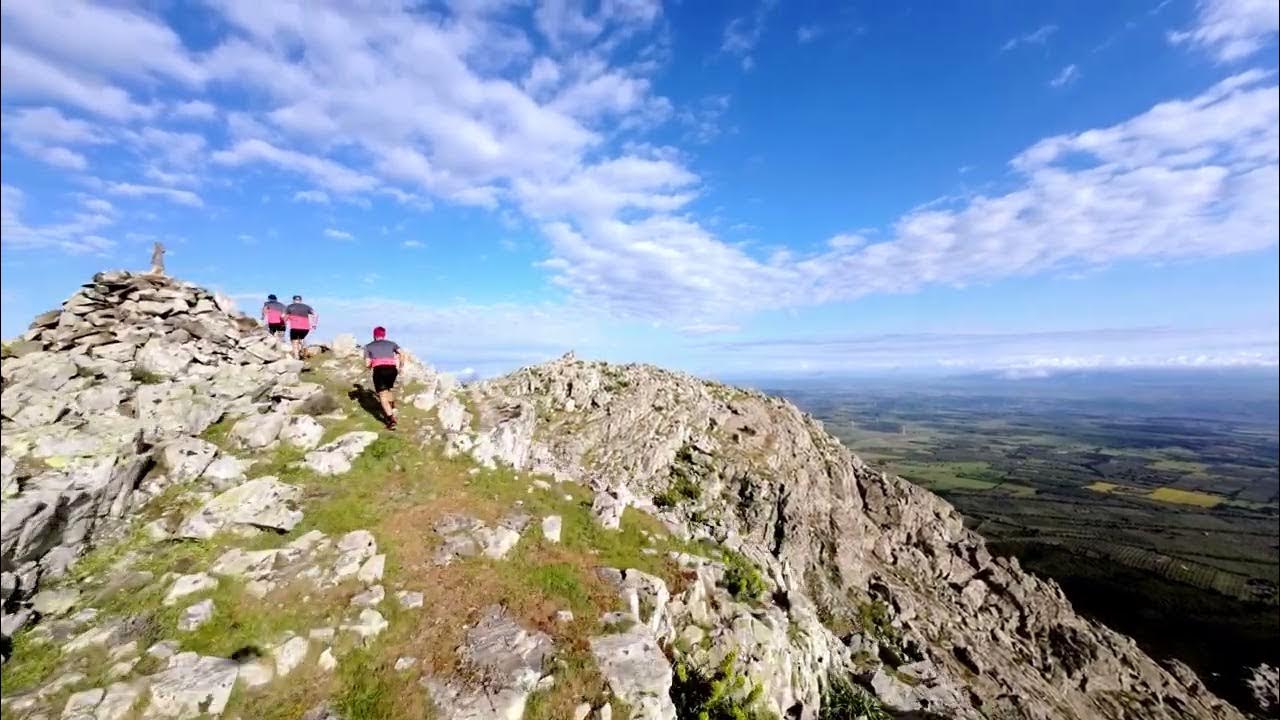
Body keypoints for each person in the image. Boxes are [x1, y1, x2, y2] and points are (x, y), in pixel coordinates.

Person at [363, 326, 404, 429]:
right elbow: (402, 353)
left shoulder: (368, 346)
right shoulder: (391, 344)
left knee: (382, 395)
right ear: (384, 335)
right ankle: (392, 406)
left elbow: (367, 363)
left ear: (374, 335)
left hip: (380, 370)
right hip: (392, 369)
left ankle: (391, 420)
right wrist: (401, 365)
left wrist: (370, 365)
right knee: (388, 388)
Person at [285, 295, 317, 360]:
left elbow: (283, 316)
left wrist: (285, 321)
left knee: (294, 341)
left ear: (293, 300)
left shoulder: (290, 306)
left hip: (295, 327)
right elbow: (316, 314)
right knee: (302, 339)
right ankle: (304, 350)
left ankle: (297, 357)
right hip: (305, 328)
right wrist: (314, 324)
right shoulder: (307, 307)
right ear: (301, 300)